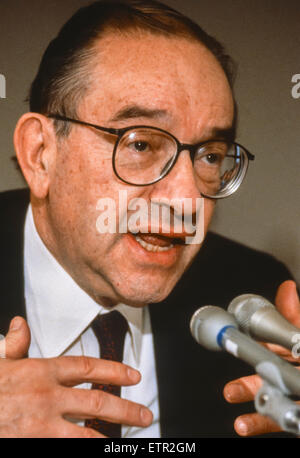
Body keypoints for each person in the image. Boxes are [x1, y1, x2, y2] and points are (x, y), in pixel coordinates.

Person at [0, 0, 298, 438]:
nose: (186, 198)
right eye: (140, 145)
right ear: (41, 155)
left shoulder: (250, 293)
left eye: (210, 156)